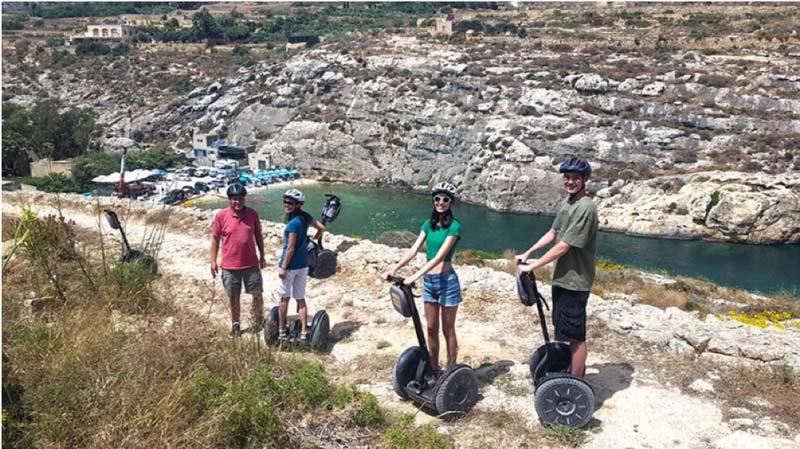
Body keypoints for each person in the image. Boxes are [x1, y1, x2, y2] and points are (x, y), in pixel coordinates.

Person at [517, 156, 598, 378]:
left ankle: (575, 382)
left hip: (575, 281)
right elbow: (553, 233)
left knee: (576, 336)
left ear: (585, 180)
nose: (570, 182)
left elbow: (564, 246)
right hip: (562, 278)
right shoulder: (569, 203)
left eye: (575, 178)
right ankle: (569, 373)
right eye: (567, 177)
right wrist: (528, 253)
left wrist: (533, 266)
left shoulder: (586, 208)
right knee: (565, 330)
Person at [382, 181, 463, 375]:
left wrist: (415, 276)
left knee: (447, 329)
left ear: (451, 202)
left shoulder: (454, 226)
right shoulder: (429, 224)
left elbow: (439, 257)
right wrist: (394, 268)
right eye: (437, 199)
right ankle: (434, 368)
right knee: (431, 327)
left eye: (445, 199)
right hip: (430, 283)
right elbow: (413, 250)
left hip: (447, 282)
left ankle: (451, 370)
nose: (441, 202)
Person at [210, 183, 267, 337]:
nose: (238, 202)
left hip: (251, 263)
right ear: (229, 200)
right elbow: (215, 239)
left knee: (257, 293)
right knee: (233, 296)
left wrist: (262, 256)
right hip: (230, 266)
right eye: (234, 199)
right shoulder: (221, 216)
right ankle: (236, 324)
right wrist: (213, 261)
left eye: (240, 199)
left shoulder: (252, 214)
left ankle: (258, 319)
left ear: (244, 199)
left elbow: (258, 236)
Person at [277, 189, 326, 341]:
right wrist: (313, 241)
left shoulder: (293, 224)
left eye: (290, 203)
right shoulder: (305, 217)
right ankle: (304, 332)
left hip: (290, 266)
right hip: (303, 265)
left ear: (298, 204)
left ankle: (282, 330)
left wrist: (283, 267)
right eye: (285, 201)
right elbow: (322, 228)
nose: (287, 205)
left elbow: (290, 248)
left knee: (284, 298)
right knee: (300, 298)